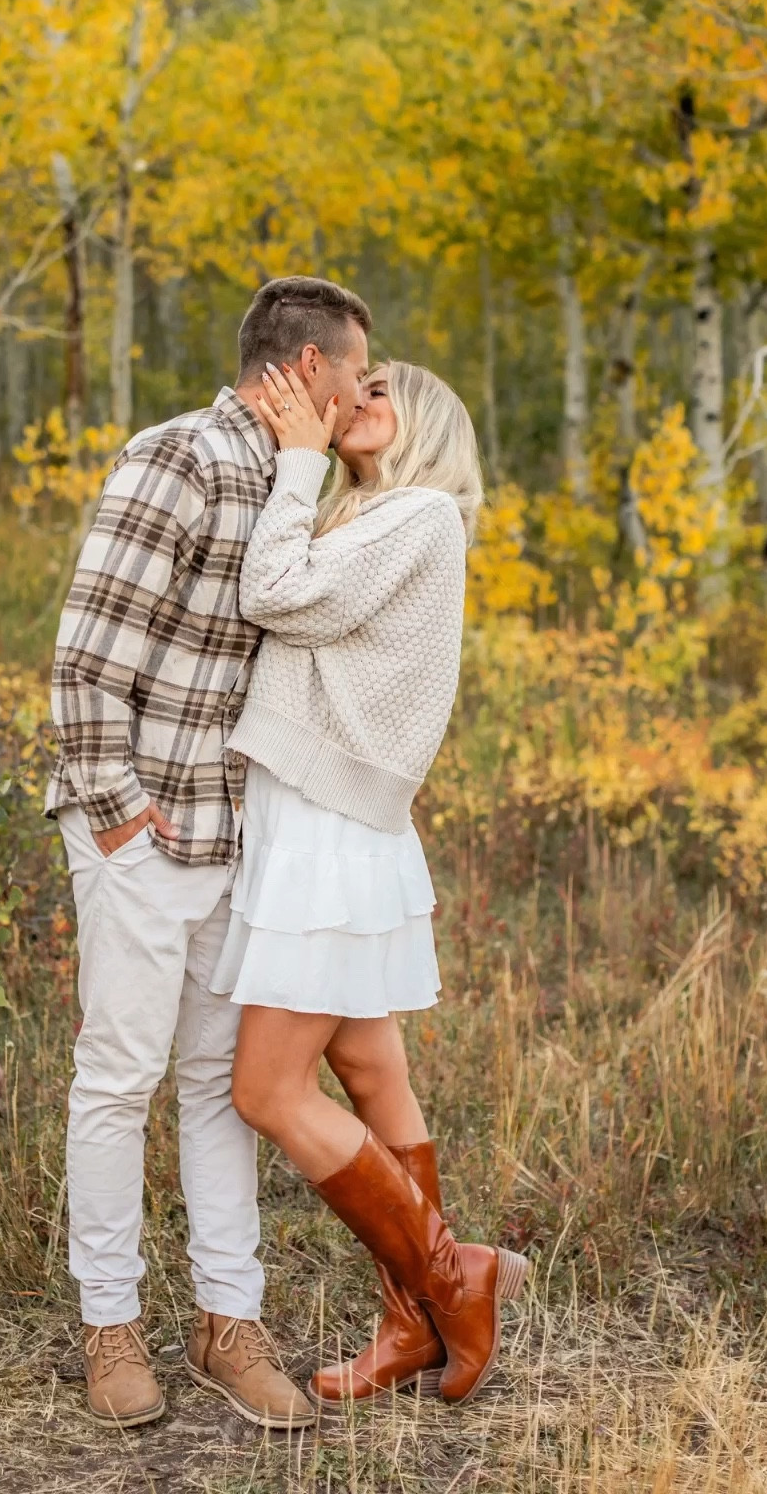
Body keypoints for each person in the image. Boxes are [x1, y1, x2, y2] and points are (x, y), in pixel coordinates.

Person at [46, 275, 371, 1430]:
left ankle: (227, 1322)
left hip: (241, 841)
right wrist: (121, 816)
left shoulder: (299, 480)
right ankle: (111, 1327)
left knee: (220, 1089)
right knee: (118, 1078)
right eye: (355, 373)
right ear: (308, 368)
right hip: (144, 826)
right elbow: (86, 657)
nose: (360, 395)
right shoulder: (180, 456)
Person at [211, 358, 529, 1409]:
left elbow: (275, 594)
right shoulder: (370, 517)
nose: (356, 398)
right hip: (320, 817)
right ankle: (411, 1323)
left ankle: (451, 1278)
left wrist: (299, 460)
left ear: (425, 425)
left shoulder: (419, 514)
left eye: (381, 390)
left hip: (329, 829)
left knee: (266, 1092)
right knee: (368, 1067)